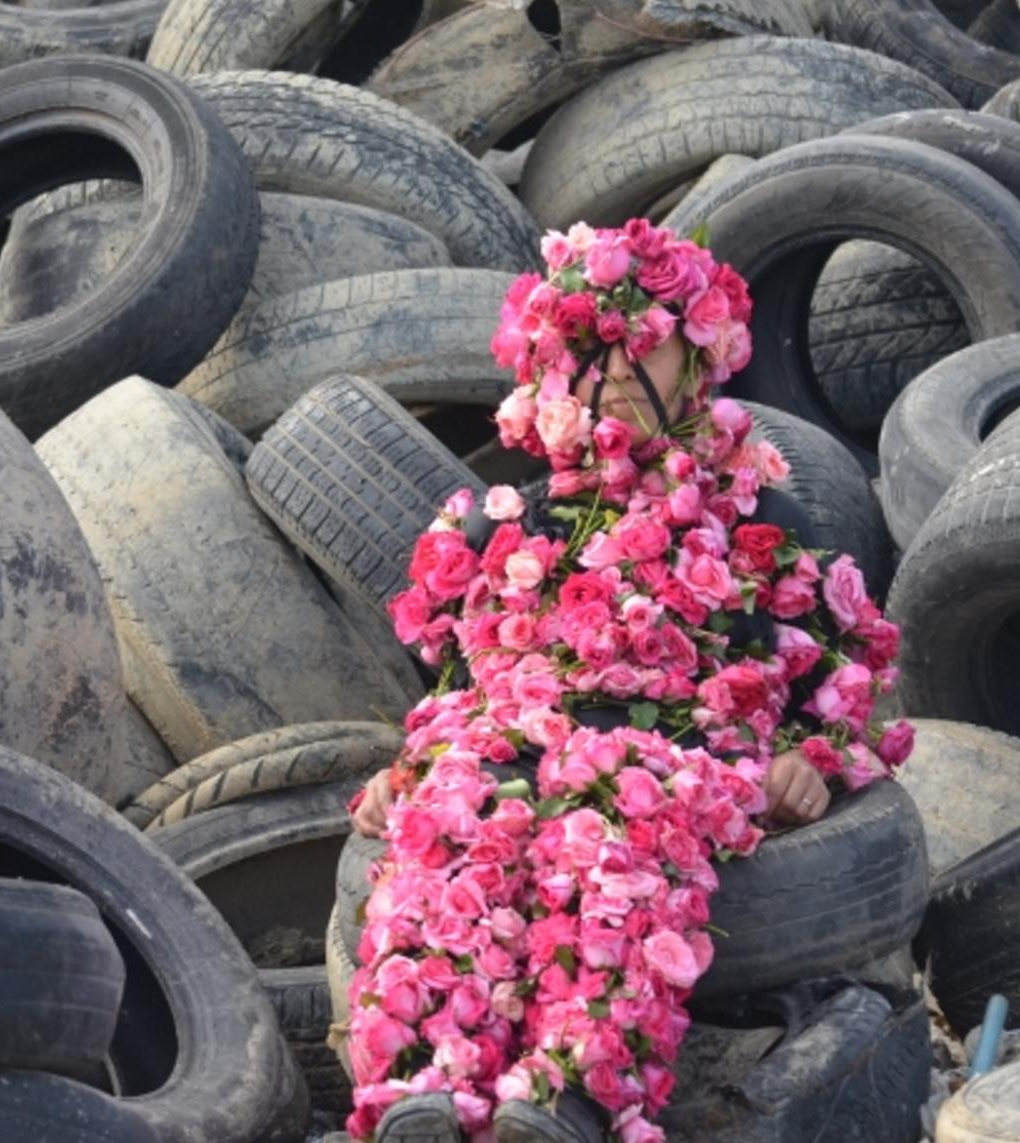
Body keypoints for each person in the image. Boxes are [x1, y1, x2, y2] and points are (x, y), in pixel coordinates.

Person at [341, 220, 912, 1143]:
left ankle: (570, 1094)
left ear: (698, 358)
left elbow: (839, 681)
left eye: (633, 347)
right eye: (584, 354)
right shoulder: (508, 527)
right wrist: (411, 767)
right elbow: (461, 682)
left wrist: (810, 758)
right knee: (451, 814)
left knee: (606, 838)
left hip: (675, 764)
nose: (606, 374)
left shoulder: (762, 524)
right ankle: (428, 1085)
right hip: (520, 751)